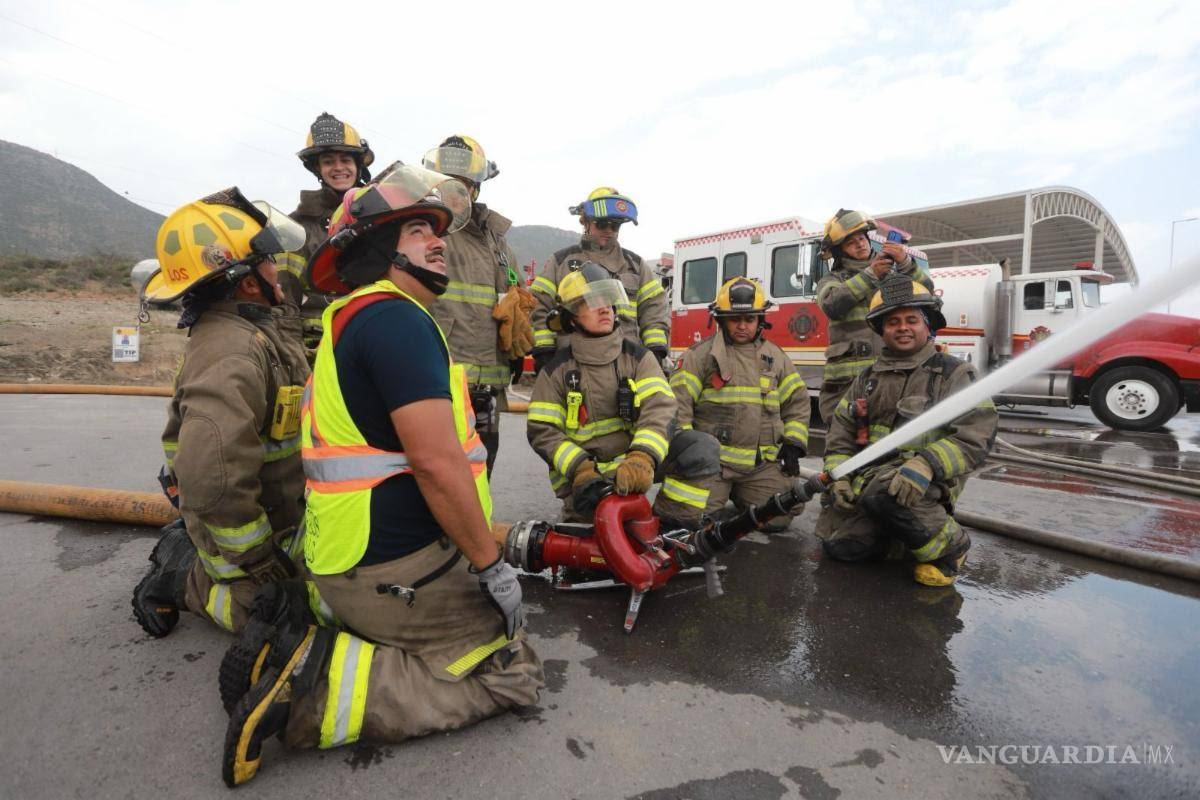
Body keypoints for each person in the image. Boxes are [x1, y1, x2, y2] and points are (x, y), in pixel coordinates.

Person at [219, 163, 542, 787]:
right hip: (387, 566)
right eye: (419, 229)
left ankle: (325, 634)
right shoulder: (396, 321)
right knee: (513, 668)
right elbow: (435, 461)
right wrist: (489, 566)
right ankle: (310, 688)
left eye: (437, 229)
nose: (439, 240)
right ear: (374, 247)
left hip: (349, 557)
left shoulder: (354, 317)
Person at [131, 188, 310, 637]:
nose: (278, 270)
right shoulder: (233, 351)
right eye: (270, 260)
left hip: (279, 515)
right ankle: (182, 577)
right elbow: (213, 478)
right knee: (283, 619)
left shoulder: (259, 328)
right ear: (249, 280)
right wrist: (258, 559)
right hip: (243, 546)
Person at [816, 274, 998, 586]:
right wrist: (840, 479)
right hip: (871, 485)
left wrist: (926, 463)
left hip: (925, 481)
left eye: (912, 319)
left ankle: (952, 548)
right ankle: (896, 537)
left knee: (885, 495)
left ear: (928, 325)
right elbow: (840, 436)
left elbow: (976, 435)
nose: (902, 327)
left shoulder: (953, 374)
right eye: (893, 322)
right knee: (841, 548)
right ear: (881, 331)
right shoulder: (866, 379)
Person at [656, 277, 810, 531]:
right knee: (683, 522)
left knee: (779, 517)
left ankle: (741, 494)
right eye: (734, 319)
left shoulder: (776, 358)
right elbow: (677, 407)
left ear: (760, 320)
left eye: (750, 319)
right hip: (711, 468)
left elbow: (798, 402)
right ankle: (720, 494)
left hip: (758, 467)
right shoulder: (700, 357)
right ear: (721, 320)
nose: (742, 326)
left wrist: (794, 443)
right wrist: (686, 455)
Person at [527, 263, 676, 522]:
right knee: (592, 551)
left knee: (697, 448)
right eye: (592, 301)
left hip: (634, 466)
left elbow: (660, 409)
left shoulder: (639, 359)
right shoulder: (556, 372)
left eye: (608, 299)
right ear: (572, 316)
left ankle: (668, 527)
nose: (605, 307)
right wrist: (581, 469)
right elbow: (543, 431)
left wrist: (642, 455)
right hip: (585, 480)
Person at [422, 135, 532, 475]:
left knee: (481, 470)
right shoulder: (426, 232)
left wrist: (517, 339)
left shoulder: (497, 242)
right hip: (440, 383)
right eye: (450, 184)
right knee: (438, 473)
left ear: (476, 189)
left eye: (466, 185)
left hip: (490, 387)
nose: (459, 192)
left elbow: (515, 300)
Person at [530, 187, 668, 373]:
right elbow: (539, 307)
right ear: (585, 222)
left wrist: (655, 351)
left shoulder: (636, 266)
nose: (609, 231)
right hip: (572, 362)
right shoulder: (560, 262)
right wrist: (544, 350)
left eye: (616, 225)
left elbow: (654, 311)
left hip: (626, 364)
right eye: (602, 224)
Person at [815, 209, 934, 424]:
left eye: (862, 238)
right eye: (851, 242)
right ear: (840, 252)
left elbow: (927, 292)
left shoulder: (892, 276)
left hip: (890, 376)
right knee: (843, 442)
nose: (860, 244)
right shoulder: (832, 279)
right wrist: (871, 274)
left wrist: (905, 262)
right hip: (846, 386)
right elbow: (831, 303)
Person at [277, 112, 375, 349]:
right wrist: (296, 365)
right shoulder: (297, 228)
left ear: (358, 165)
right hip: (320, 352)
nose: (338, 168)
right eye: (329, 161)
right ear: (318, 169)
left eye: (345, 160)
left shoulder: (381, 217)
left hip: (374, 344)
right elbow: (285, 304)